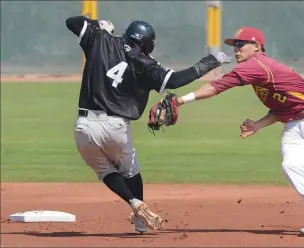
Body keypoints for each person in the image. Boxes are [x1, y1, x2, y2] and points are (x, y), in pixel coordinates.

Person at [65, 15, 231, 233]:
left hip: (84, 126)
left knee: (105, 171)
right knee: (130, 171)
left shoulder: (100, 39)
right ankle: (140, 221)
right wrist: (210, 62)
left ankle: (134, 203)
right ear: (146, 42)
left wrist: (98, 24)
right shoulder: (146, 63)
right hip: (116, 127)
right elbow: (175, 81)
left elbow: (72, 22)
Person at [169, 27, 304, 236]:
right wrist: (258, 124)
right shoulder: (257, 70)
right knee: (291, 165)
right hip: (293, 125)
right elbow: (282, 107)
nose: (236, 49)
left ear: (257, 47)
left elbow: (218, 86)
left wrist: (181, 100)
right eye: (234, 46)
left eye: (241, 44)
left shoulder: (256, 65)